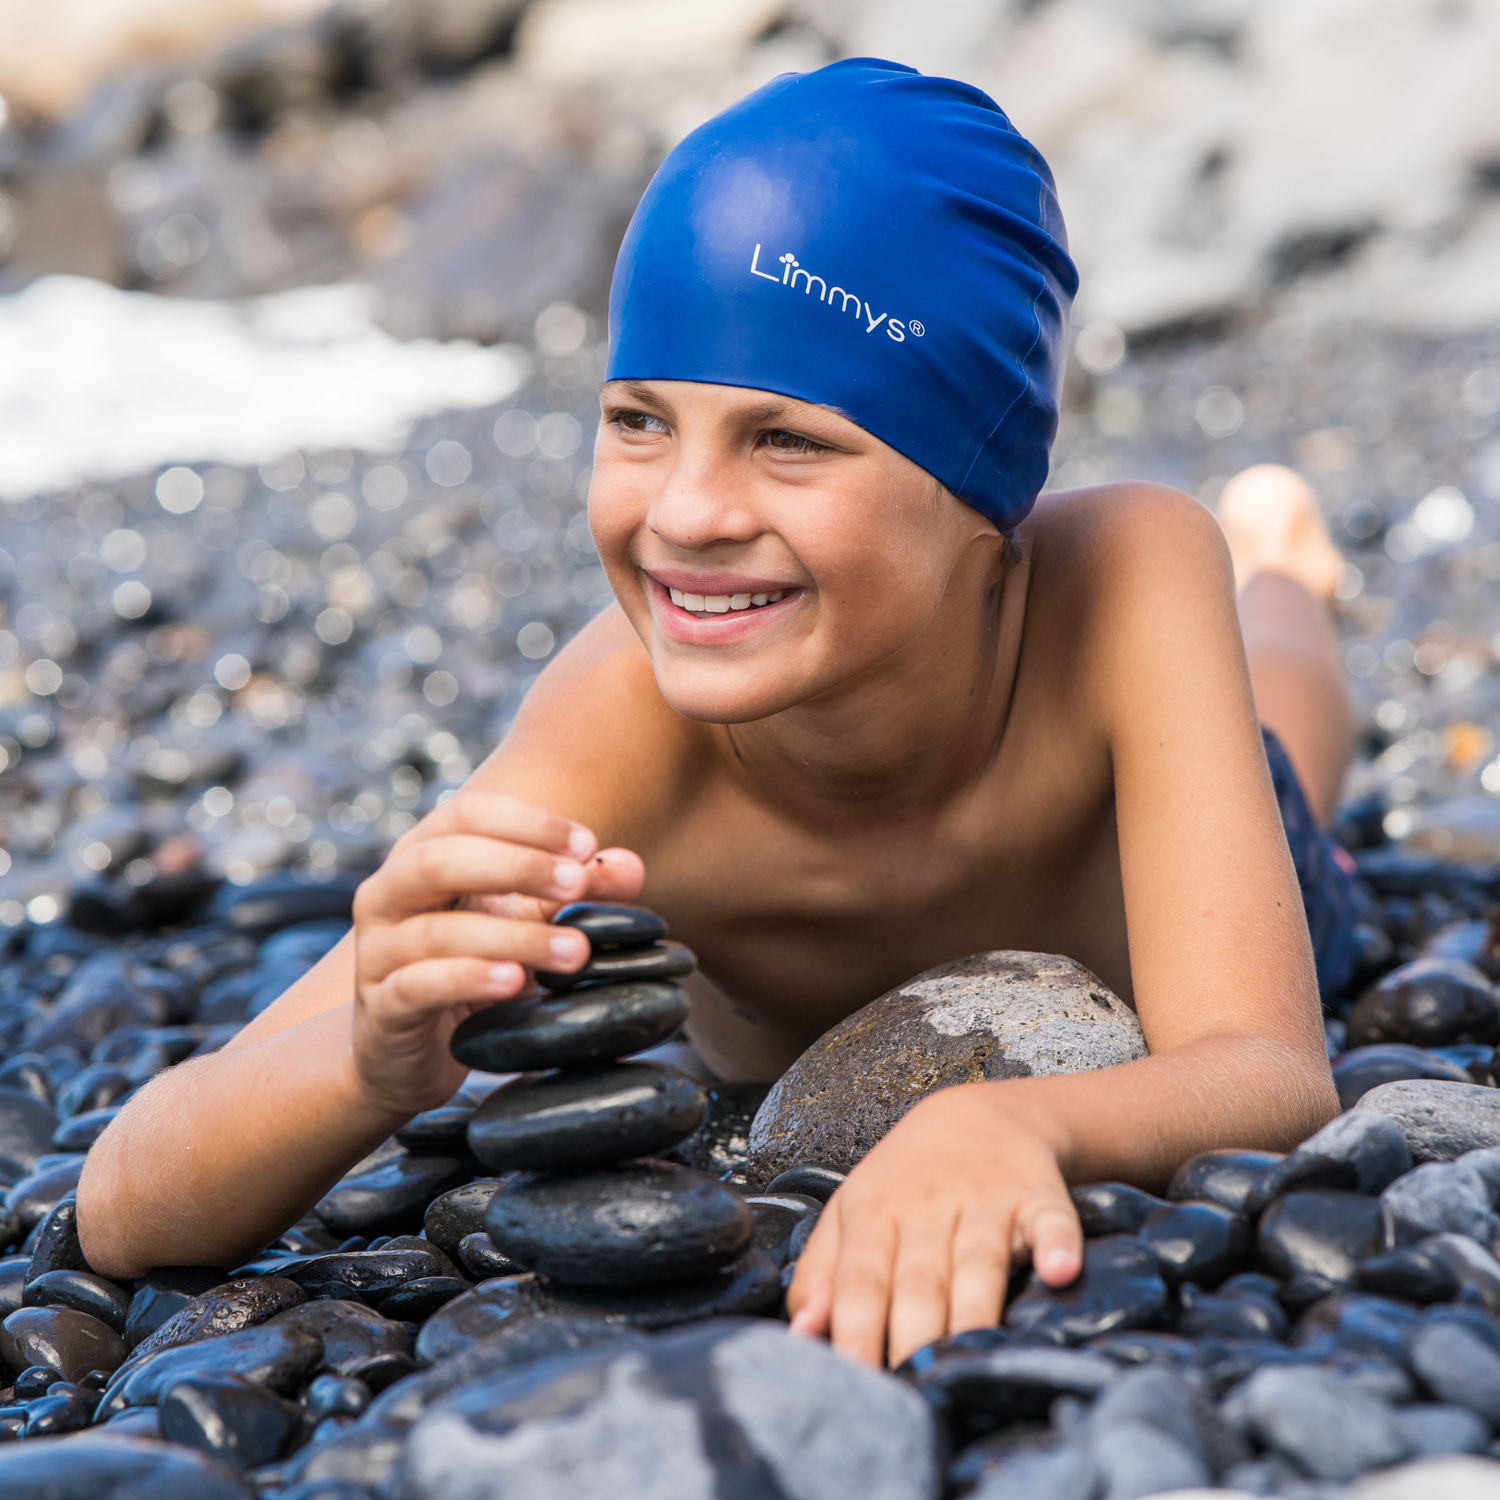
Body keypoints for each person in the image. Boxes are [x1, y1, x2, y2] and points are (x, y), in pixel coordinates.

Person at [79, 60, 1357, 1369]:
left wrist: (1021, 1123)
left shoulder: (1126, 575)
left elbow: (1268, 1068)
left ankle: (1285, 563)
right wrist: (367, 1065)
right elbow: (120, 1209)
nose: (685, 513)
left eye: (788, 439)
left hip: (1168, 888)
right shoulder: (615, 725)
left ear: (982, 481)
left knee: (1289, 759)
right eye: (639, 421)